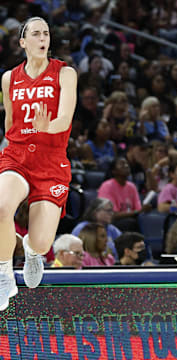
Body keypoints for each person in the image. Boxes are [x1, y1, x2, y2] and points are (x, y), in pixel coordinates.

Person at [0, 17, 77, 311]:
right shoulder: (9, 78)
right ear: (23, 42)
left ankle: (31, 250)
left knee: (44, 243)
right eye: (36, 33)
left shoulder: (65, 73)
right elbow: (9, 121)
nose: (42, 37)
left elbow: (64, 119)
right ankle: (4, 273)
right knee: (2, 207)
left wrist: (47, 126)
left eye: (46, 33)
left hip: (51, 159)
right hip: (18, 153)